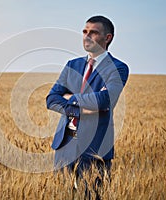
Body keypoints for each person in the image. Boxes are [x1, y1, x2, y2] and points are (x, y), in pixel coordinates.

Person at [46, 15, 129, 197]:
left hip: (95, 148)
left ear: (107, 38)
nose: (87, 36)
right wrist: (81, 106)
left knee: (91, 195)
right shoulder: (72, 65)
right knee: (61, 195)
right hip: (65, 145)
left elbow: (105, 100)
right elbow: (51, 99)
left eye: (93, 32)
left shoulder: (118, 67)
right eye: (85, 31)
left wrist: (70, 97)